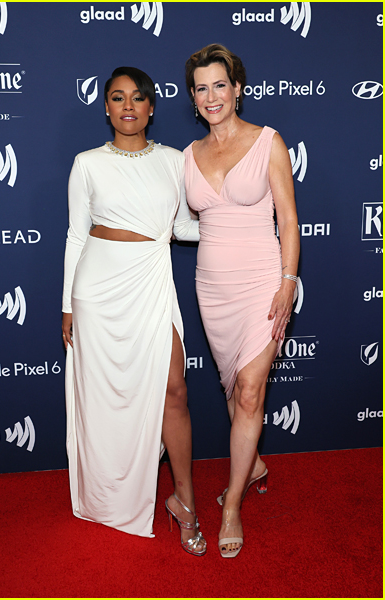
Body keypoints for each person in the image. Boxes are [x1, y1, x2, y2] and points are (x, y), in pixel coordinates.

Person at [62, 66, 206, 556]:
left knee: (174, 389)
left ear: (151, 107)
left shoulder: (173, 161)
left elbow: (184, 227)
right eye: (117, 97)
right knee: (103, 400)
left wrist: (237, 229)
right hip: (97, 289)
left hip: (150, 278)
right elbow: (76, 236)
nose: (128, 105)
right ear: (105, 107)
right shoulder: (86, 164)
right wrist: (67, 306)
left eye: (137, 97)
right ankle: (107, 497)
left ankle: (184, 500)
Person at [184, 44, 300, 558]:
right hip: (212, 287)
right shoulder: (188, 155)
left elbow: (289, 219)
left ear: (237, 89)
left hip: (260, 282)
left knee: (250, 390)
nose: (212, 96)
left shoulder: (268, 142)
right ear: (193, 97)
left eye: (220, 85)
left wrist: (288, 280)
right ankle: (251, 464)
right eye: (201, 88)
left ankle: (231, 505)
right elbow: (182, 222)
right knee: (234, 391)